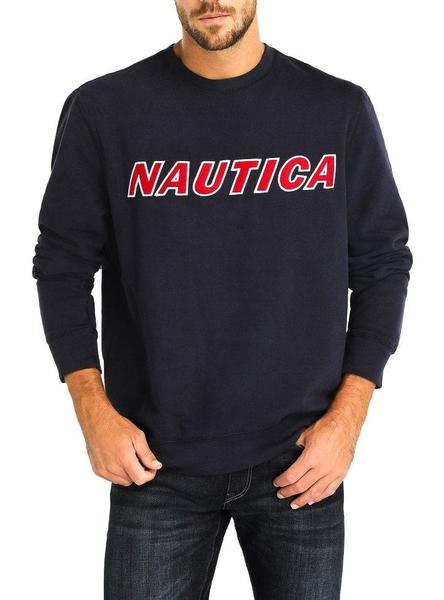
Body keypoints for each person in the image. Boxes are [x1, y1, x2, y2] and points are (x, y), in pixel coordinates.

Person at [31, 1, 413, 598]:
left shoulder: (335, 108)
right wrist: (91, 410)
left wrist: (348, 418)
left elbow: (382, 265)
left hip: (302, 460)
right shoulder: (105, 109)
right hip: (154, 463)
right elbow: (62, 266)